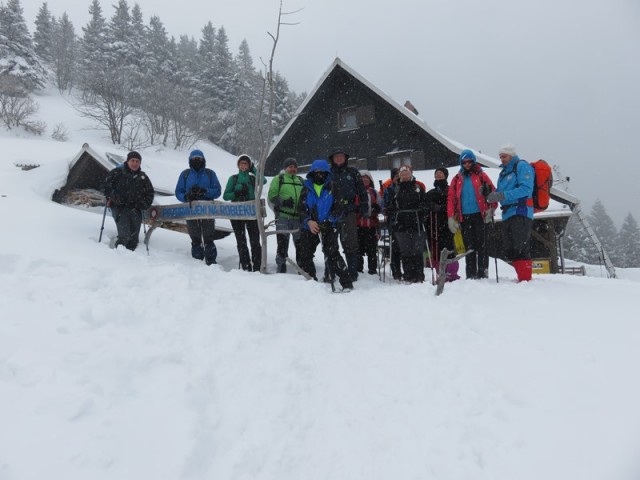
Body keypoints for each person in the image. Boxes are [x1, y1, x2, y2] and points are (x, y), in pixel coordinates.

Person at [297, 159, 353, 290]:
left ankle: (346, 283)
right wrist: (308, 221)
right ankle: (311, 281)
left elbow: (339, 207)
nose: (319, 174)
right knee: (305, 253)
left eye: (322, 172)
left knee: (332, 253)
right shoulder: (306, 188)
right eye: (316, 172)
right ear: (312, 173)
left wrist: (330, 221)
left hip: (329, 226)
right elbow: (301, 208)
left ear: (327, 173)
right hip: (310, 227)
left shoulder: (333, 186)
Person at [486, 144, 535, 282]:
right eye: (500, 156)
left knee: (520, 245)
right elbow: (500, 193)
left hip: (521, 210)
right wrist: (491, 197)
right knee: (510, 247)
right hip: (507, 213)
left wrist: (501, 196)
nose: (502, 159)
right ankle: (522, 277)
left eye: (504, 156)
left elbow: (526, 189)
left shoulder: (521, 166)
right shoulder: (503, 173)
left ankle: (525, 279)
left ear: (512, 155)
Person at [447, 149, 497, 279]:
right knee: (469, 247)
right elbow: (451, 198)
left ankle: (483, 272)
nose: (467, 164)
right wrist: (451, 216)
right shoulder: (457, 178)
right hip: (465, 217)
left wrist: (491, 207)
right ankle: (470, 274)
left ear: (474, 161)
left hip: (481, 216)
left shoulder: (482, 176)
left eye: (469, 161)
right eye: (464, 162)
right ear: (461, 163)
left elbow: (495, 195)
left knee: (482, 245)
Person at [327, 147, 368, 281]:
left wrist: (363, 207)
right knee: (330, 243)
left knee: (350, 244)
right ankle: (331, 272)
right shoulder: (328, 173)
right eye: (336, 156)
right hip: (331, 212)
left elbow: (362, 191)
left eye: (341, 156)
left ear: (345, 158)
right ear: (332, 159)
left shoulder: (353, 172)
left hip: (349, 211)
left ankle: (352, 273)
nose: (339, 158)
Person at [175, 149, 222, 265]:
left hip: (207, 209)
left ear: (203, 160)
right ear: (190, 160)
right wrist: (186, 196)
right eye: (194, 159)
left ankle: (211, 261)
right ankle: (197, 262)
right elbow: (178, 191)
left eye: (199, 159)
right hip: (191, 210)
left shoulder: (210, 173)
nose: (197, 161)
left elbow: (217, 191)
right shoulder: (185, 174)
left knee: (208, 237)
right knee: (195, 238)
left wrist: (205, 192)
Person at [384, 165, 429, 283]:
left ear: (411, 174)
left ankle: (419, 275)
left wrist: (423, 210)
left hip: (416, 222)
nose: (404, 176)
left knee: (417, 249)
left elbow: (424, 202)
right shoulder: (395, 189)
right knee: (406, 250)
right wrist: (389, 209)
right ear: (399, 176)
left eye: (406, 173)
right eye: (402, 174)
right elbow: (391, 203)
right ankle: (408, 275)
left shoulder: (418, 187)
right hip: (401, 222)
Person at [104, 150, 154, 251]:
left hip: (136, 209)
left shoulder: (143, 177)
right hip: (119, 208)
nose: (135, 163)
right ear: (127, 161)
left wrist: (144, 204)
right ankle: (118, 255)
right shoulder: (117, 173)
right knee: (125, 236)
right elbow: (106, 187)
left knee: (134, 239)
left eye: (137, 161)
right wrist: (114, 197)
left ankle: (130, 259)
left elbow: (150, 193)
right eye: (133, 160)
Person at [223, 154, 266, 271]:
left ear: (249, 165)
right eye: (241, 163)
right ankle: (246, 266)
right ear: (238, 165)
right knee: (241, 242)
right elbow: (226, 196)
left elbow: (263, 180)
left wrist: (254, 169)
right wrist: (235, 194)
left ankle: (257, 266)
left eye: (246, 164)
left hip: (251, 213)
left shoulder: (252, 178)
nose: (243, 165)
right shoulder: (233, 179)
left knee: (255, 241)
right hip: (237, 213)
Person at [268, 157, 304, 273]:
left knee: (300, 244)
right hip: (283, 216)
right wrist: (283, 202)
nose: (292, 169)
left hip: (298, 217)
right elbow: (272, 195)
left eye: (294, 167)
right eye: (290, 167)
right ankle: (281, 265)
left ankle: (301, 265)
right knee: (282, 242)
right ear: (285, 168)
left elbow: (306, 195)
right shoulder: (279, 179)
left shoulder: (301, 180)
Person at [425, 167, 459, 281]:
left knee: (448, 247)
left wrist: (441, 208)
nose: (438, 175)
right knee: (436, 248)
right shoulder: (430, 192)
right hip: (433, 224)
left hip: (446, 223)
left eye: (441, 173)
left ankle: (452, 272)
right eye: (437, 173)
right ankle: (440, 272)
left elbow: (453, 204)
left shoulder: (450, 190)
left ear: (446, 175)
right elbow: (426, 205)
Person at [356, 170, 382, 275]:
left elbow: (381, 206)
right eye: (362, 177)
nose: (364, 179)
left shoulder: (374, 192)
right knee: (358, 248)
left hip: (371, 225)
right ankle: (359, 269)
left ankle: (372, 269)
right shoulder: (355, 192)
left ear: (370, 180)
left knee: (372, 249)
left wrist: (378, 208)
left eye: (367, 177)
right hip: (358, 225)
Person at [382, 168, 402, 280]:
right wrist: (388, 208)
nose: (397, 178)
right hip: (393, 221)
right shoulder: (389, 190)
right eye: (395, 176)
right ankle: (396, 271)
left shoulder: (406, 187)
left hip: (404, 221)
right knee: (395, 248)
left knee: (404, 247)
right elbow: (385, 204)